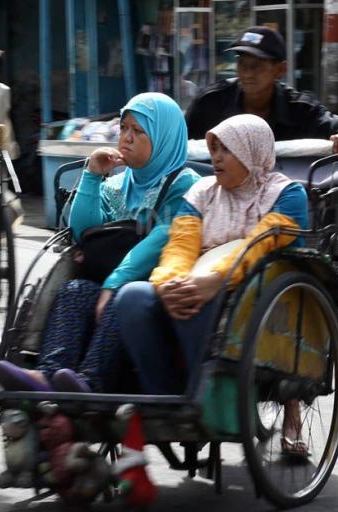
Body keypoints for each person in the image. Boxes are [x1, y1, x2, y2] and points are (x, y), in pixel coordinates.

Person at [114, 114, 307, 391]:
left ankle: (202, 396)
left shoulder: (286, 194)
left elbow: (259, 245)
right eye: (214, 149)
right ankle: (162, 399)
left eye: (227, 149)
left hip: (256, 289)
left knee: (199, 301)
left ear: (251, 152)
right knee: (132, 296)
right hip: (196, 280)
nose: (216, 158)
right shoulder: (201, 191)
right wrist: (168, 283)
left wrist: (217, 280)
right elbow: (180, 245)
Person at [32, 93, 202, 393]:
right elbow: (85, 231)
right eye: (124, 128)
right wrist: (93, 175)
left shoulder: (183, 184)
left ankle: (90, 382)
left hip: (154, 286)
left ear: (163, 137)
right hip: (110, 279)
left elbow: (160, 240)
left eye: (139, 131)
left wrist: (114, 283)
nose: (127, 138)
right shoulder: (117, 183)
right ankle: (50, 374)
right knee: (75, 290)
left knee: (120, 298)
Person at [184, 26, 338, 153]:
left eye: (256, 66)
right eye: (242, 64)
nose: (247, 74)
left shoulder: (299, 109)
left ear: (280, 70)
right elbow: (180, 146)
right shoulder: (211, 101)